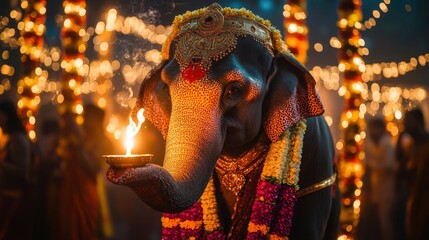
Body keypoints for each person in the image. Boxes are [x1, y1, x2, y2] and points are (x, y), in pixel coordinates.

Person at [0, 99, 33, 239]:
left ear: (6, 116)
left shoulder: (18, 139)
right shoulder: (10, 138)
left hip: (17, 202)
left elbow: (22, 171)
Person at [363, 117, 395, 240]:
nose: (371, 131)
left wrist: (371, 163)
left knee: (386, 222)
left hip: (387, 190)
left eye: (373, 128)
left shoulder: (387, 144)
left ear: (380, 129)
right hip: (377, 190)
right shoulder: (373, 143)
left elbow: (389, 165)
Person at [402, 108, 429, 240]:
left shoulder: (426, 147)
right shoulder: (412, 146)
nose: (404, 126)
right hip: (414, 202)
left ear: (417, 123)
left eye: (408, 122)